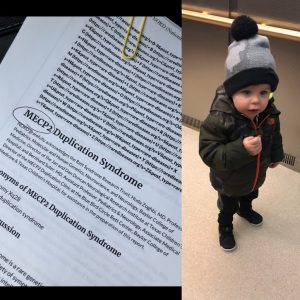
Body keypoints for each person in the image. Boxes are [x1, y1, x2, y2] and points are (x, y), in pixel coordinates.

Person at [199, 15, 284, 251]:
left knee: (250, 194)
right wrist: (242, 149)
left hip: (255, 173)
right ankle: (225, 226)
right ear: (232, 90)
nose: (256, 100)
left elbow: (274, 134)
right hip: (228, 181)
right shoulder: (219, 118)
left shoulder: (269, 112)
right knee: (227, 206)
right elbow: (209, 152)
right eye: (246, 92)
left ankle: (246, 209)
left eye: (263, 92)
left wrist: (276, 155)